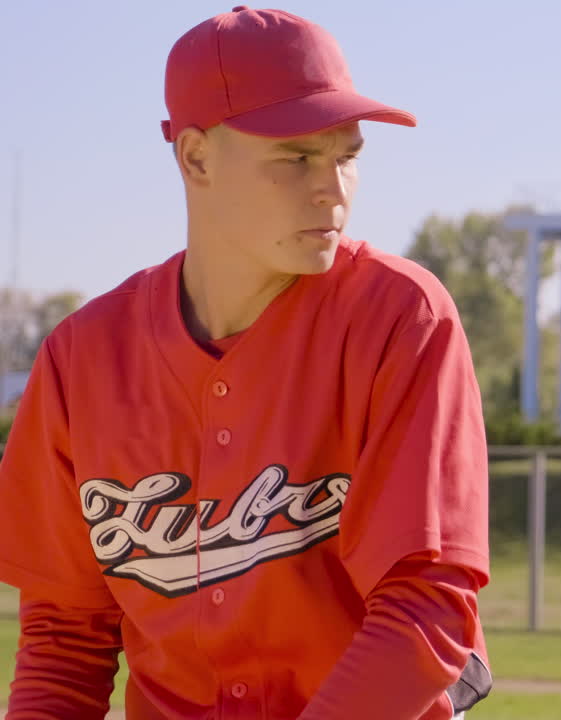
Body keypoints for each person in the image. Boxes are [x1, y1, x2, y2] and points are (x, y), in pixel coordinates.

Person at [0, 6, 492, 718]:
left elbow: (428, 607)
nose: (334, 189)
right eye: (296, 158)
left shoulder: (399, 316)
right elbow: (64, 638)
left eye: (346, 155)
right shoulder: (82, 358)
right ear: (196, 157)